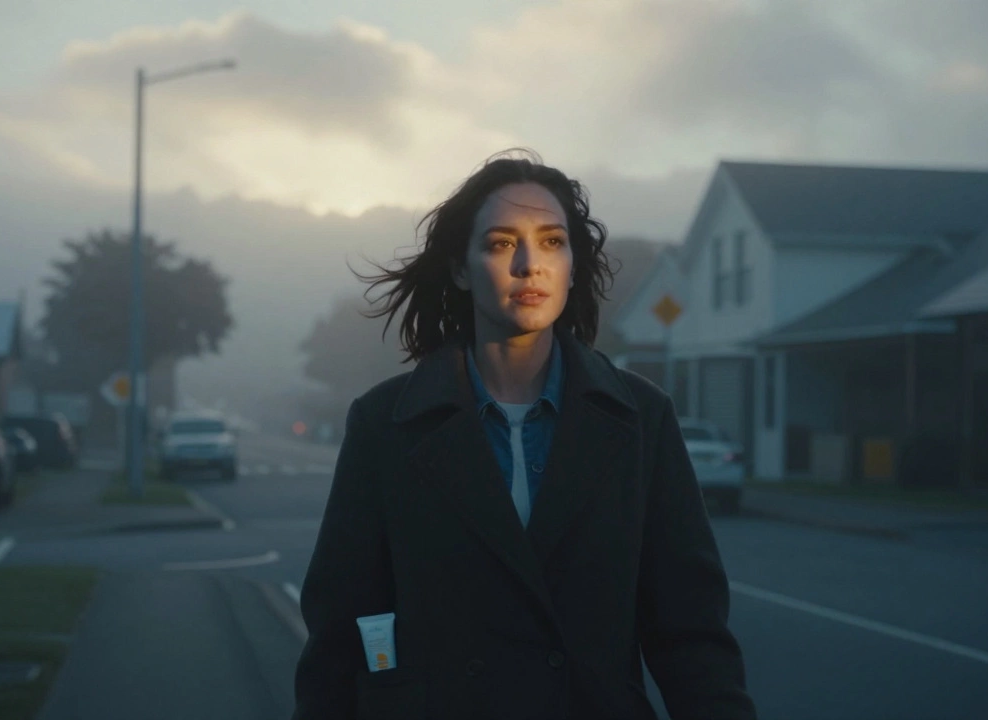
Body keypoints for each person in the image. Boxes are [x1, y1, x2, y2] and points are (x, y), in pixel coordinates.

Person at [292, 149, 756, 720]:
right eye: (501, 243)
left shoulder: (640, 418)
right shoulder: (387, 422)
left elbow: (691, 633)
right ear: (461, 269)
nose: (529, 265)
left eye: (552, 242)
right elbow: (340, 630)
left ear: (573, 265)